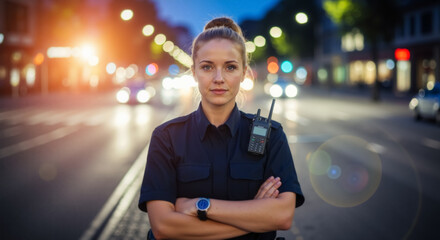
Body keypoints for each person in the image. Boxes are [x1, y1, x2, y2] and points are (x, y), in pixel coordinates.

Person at [138, 17, 305, 240]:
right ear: (194, 71)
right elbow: (163, 227)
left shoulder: (272, 137)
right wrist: (257, 217)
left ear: (244, 72)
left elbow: (283, 216)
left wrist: (201, 205)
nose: (219, 78)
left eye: (230, 67)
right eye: (207, 67)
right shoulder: (166, 138)